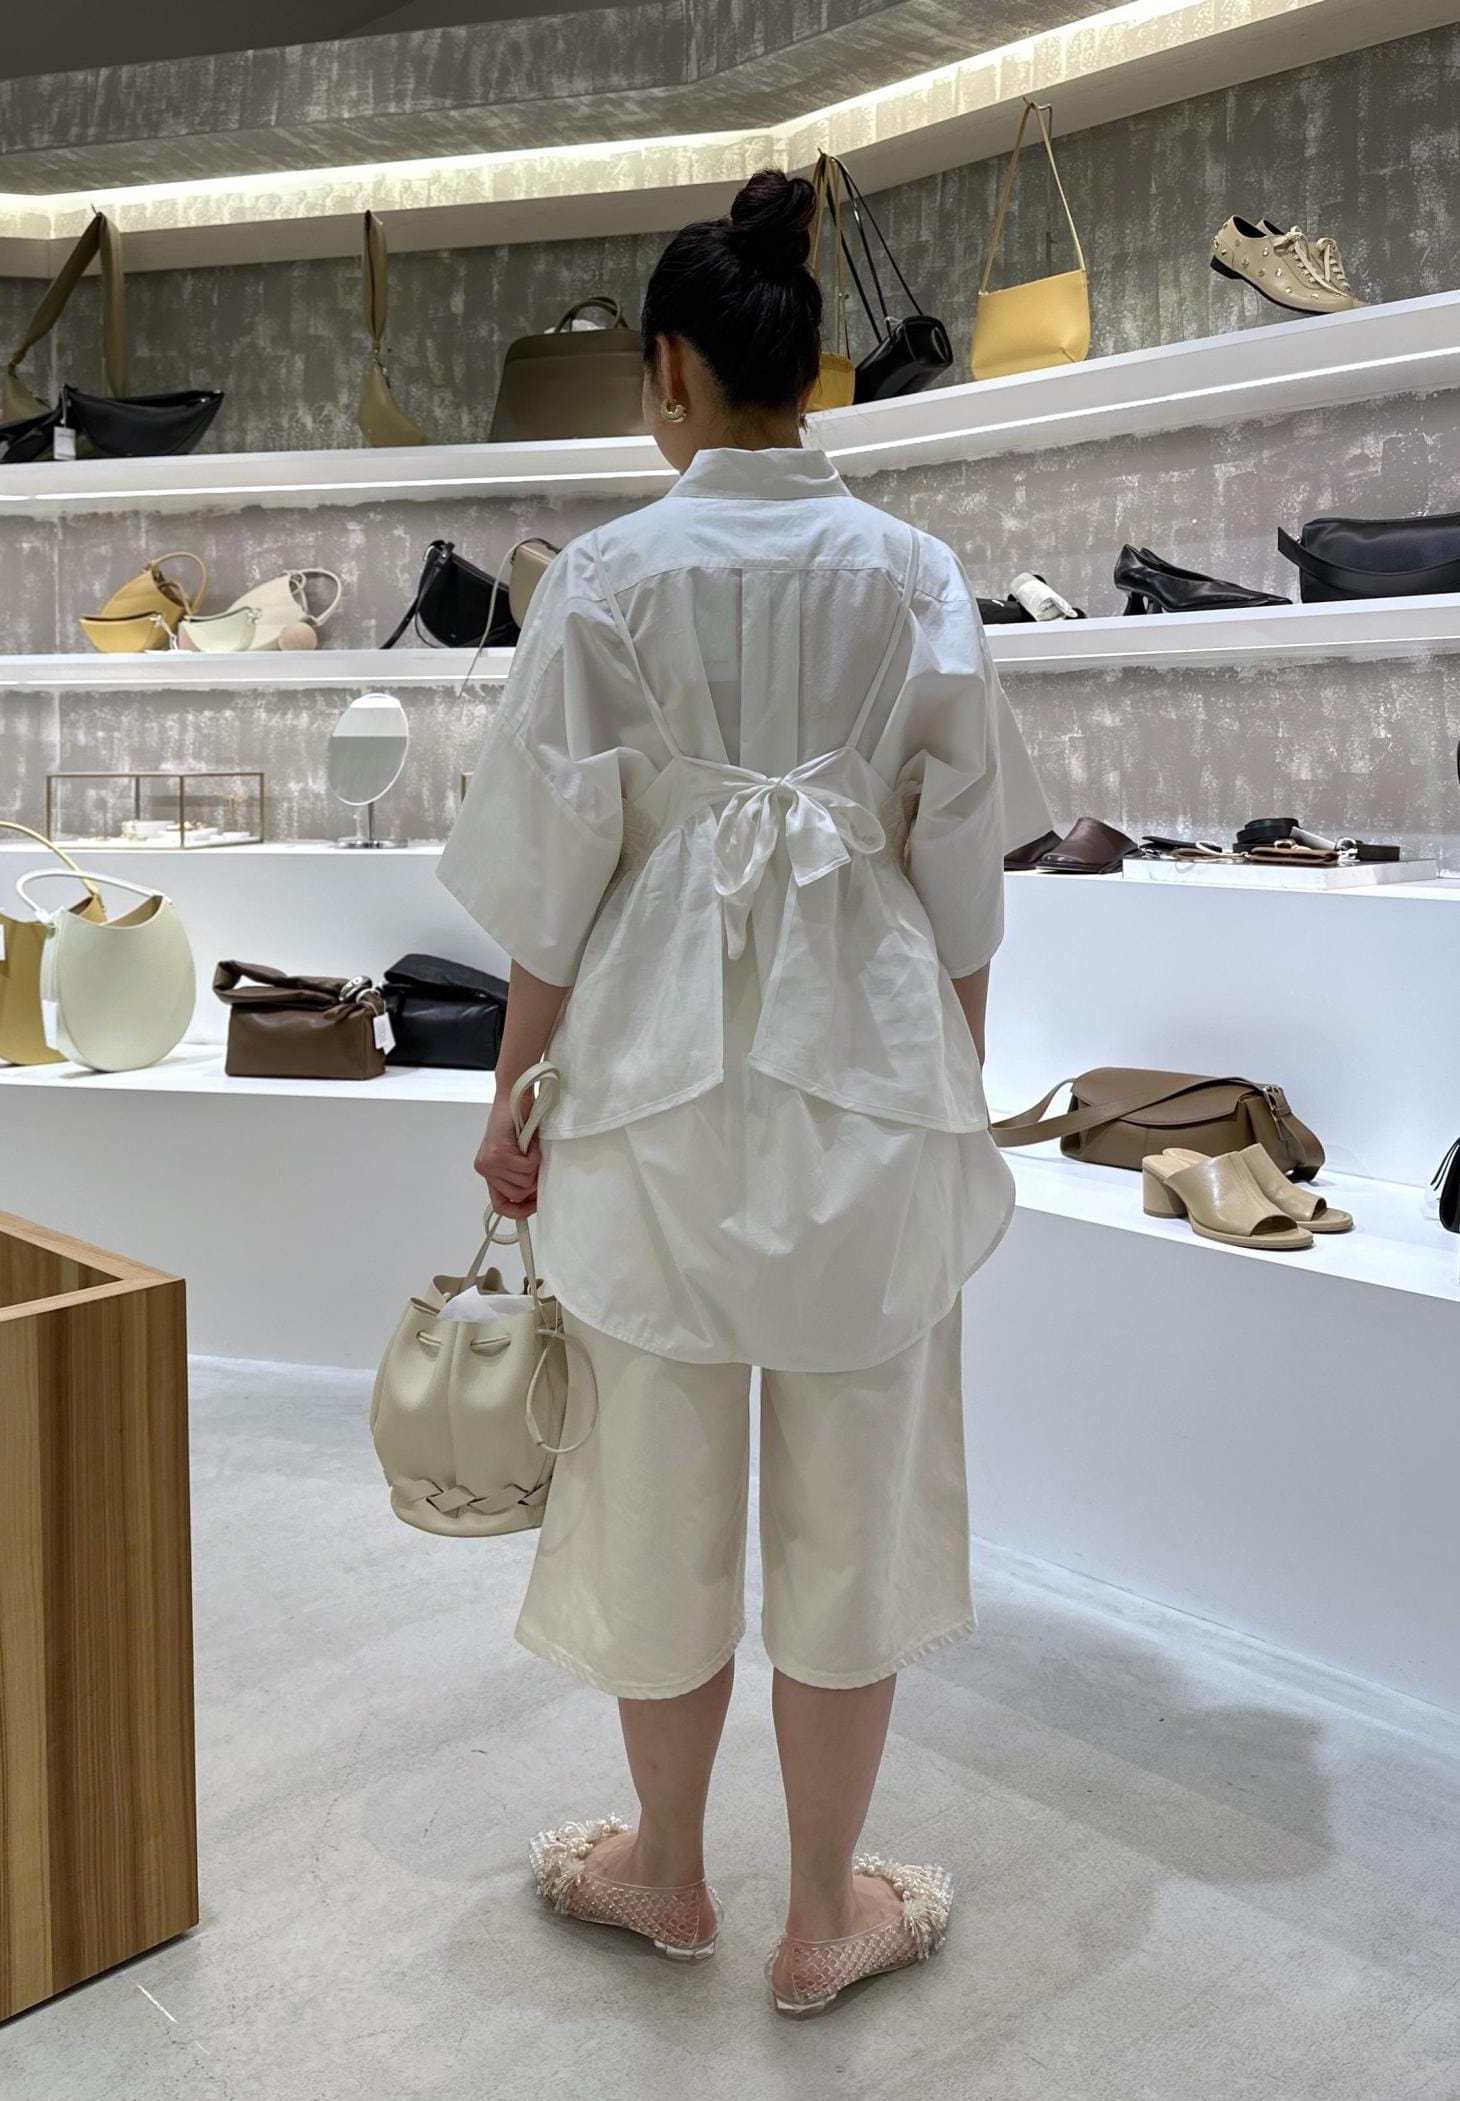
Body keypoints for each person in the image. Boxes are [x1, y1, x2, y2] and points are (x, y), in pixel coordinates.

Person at [438, 167, 1050, 2015]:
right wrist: (954, 1075)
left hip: (650, 1095)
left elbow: (551, 888)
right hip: (867, 1084)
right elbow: (962, 880)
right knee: (857, 1501)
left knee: (654, 1487)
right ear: (810, 374)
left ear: (671, 369)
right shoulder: (916, 574)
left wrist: (513, 1100)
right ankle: (823, 1913)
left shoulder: (605, 579)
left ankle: (667, 1867)